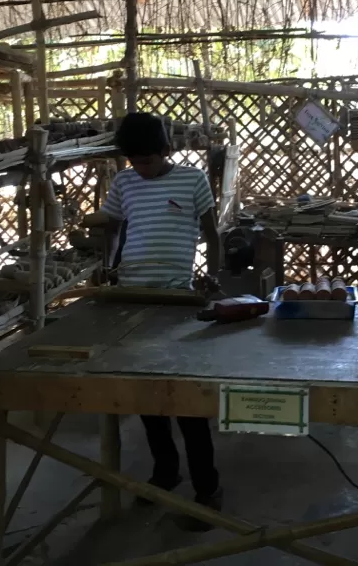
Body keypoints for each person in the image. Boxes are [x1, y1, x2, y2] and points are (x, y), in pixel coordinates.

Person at [84, 112, 223, 523]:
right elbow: (111, 227)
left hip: (178, 297)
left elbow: (213, 234)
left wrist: (211, 277)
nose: (139, 169)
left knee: (186, 398)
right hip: (132, 292)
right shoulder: (124, 183)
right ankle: (166, 472)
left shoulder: (192, 180)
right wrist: (108, 264)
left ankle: (207, 486)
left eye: (147, 161)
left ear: (167, 151)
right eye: (133, 162)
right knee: (144, 394)